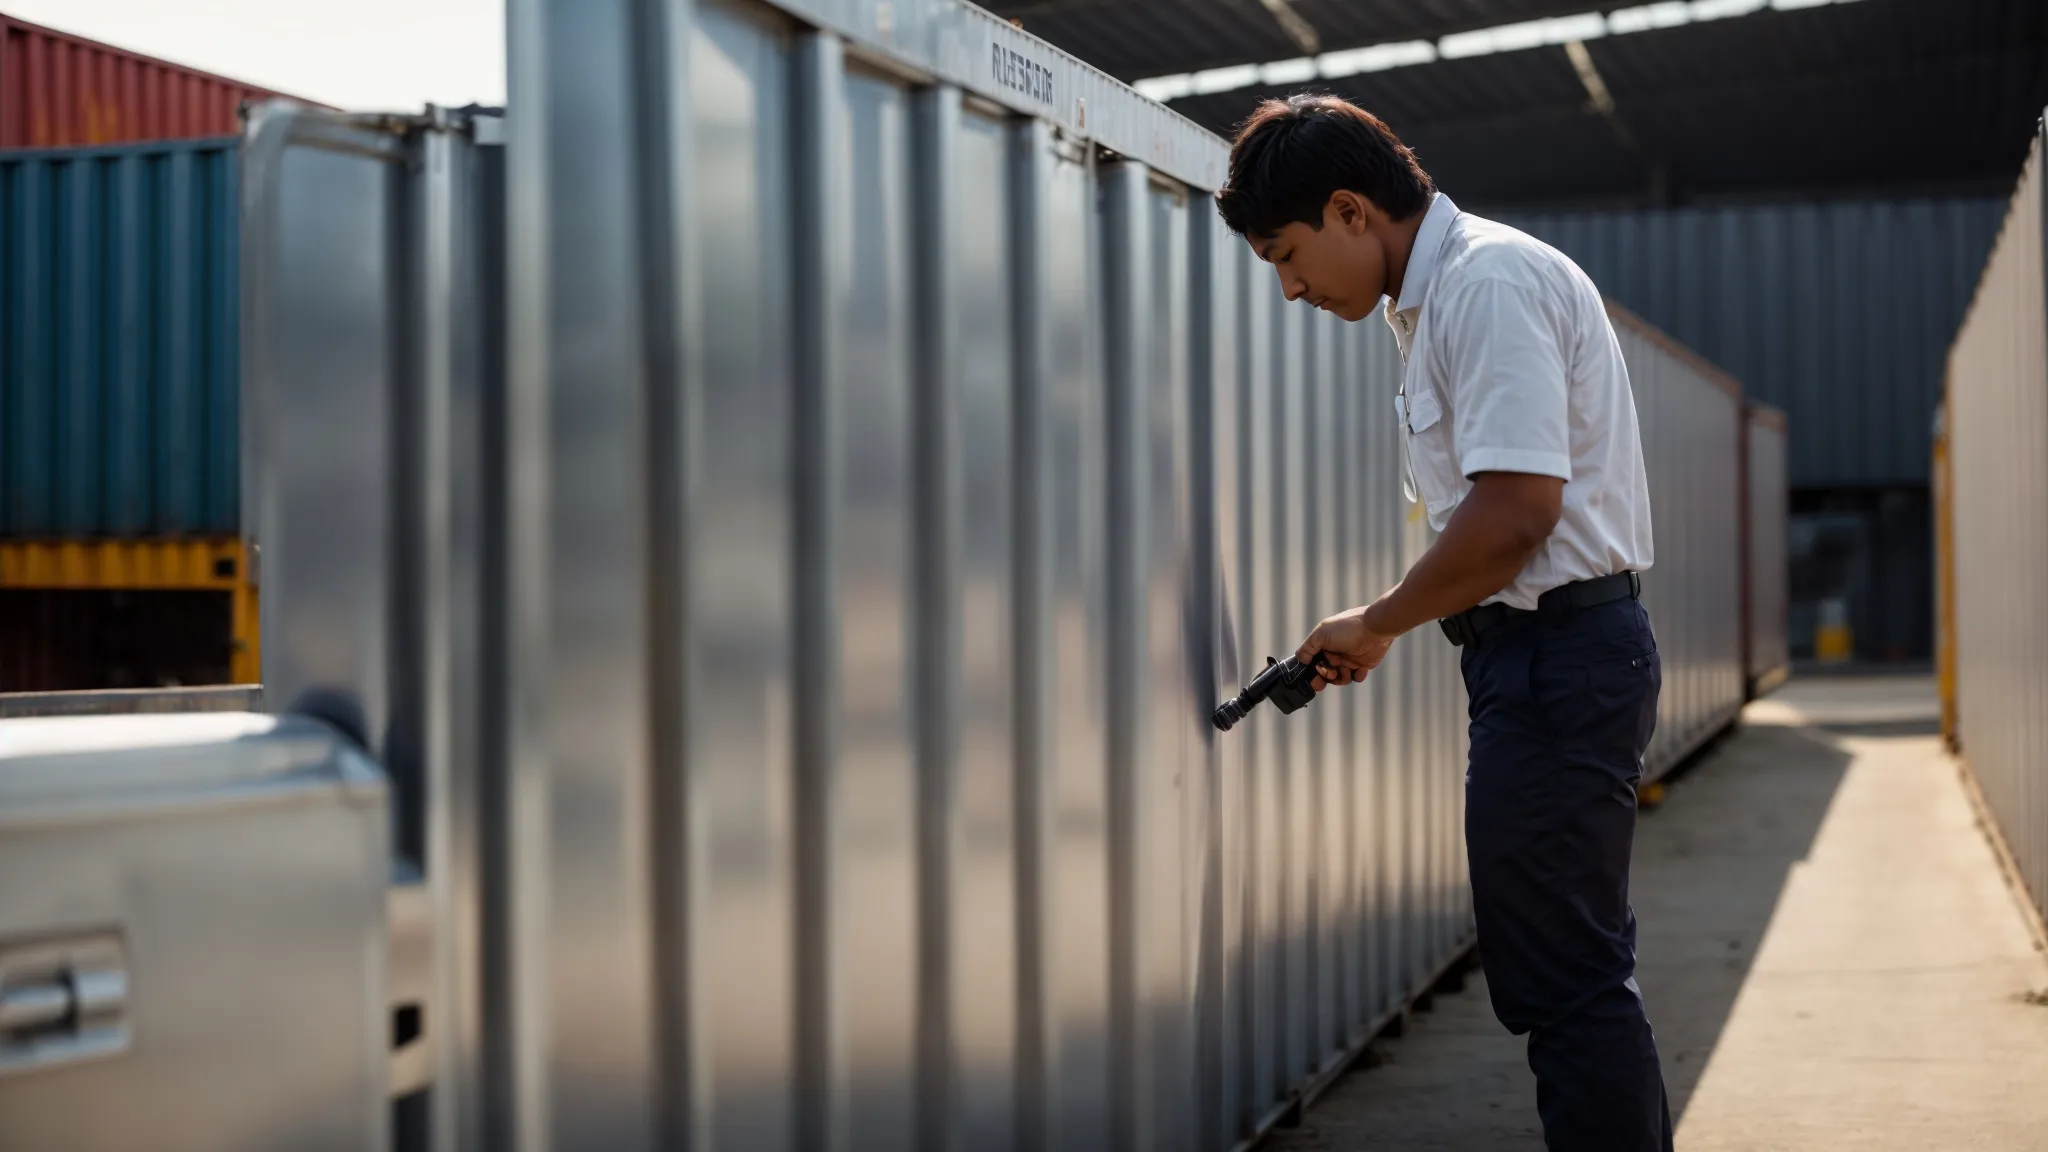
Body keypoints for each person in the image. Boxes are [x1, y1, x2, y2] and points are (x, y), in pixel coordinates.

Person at [1214, 92, 1673, 1151]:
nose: (1287, 288)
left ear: (1347, 210)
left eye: (1286, 256)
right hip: (1532, 661)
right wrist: (1384, 625)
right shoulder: (1428, 306)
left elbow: (1514, 514)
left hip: (1558, 664)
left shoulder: (1487, 284)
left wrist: (1377, 618)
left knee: (1564, 985)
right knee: (1555, 974)